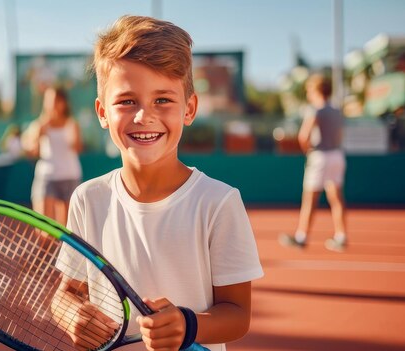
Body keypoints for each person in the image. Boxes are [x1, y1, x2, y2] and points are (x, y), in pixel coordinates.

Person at [50, 15, 263, 351]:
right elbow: (67, 294)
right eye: (126, 101)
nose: (143, 115)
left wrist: (187, 325)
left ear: (189, 109)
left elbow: (237, 315)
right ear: (103, 112)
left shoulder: (218, 202)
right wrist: (71, 315)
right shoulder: (87, 199)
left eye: (163, 100)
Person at [279, 74, 348, 252]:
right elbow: (339, 135)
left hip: (320, 157)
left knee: (310, 198)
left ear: (316, 90)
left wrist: (308, 150)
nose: (308, 93)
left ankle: (302, 237)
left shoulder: (315, 110)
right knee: (336, 198)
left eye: (310, 89)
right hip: (337, 155)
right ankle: (341, 236)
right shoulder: (336, 111)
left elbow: (304, 136)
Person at [22, 87, 83, 225]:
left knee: (68, 230)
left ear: (63, 103)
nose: (51, 104)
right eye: (48, 100)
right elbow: (30, 150)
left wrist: (74, 140)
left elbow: (78, 147)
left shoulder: (72, 124)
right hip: (46, 178)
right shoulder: (39, 125)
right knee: (44, 230)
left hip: (70, 177)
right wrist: (38, 135)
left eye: (55, 100)